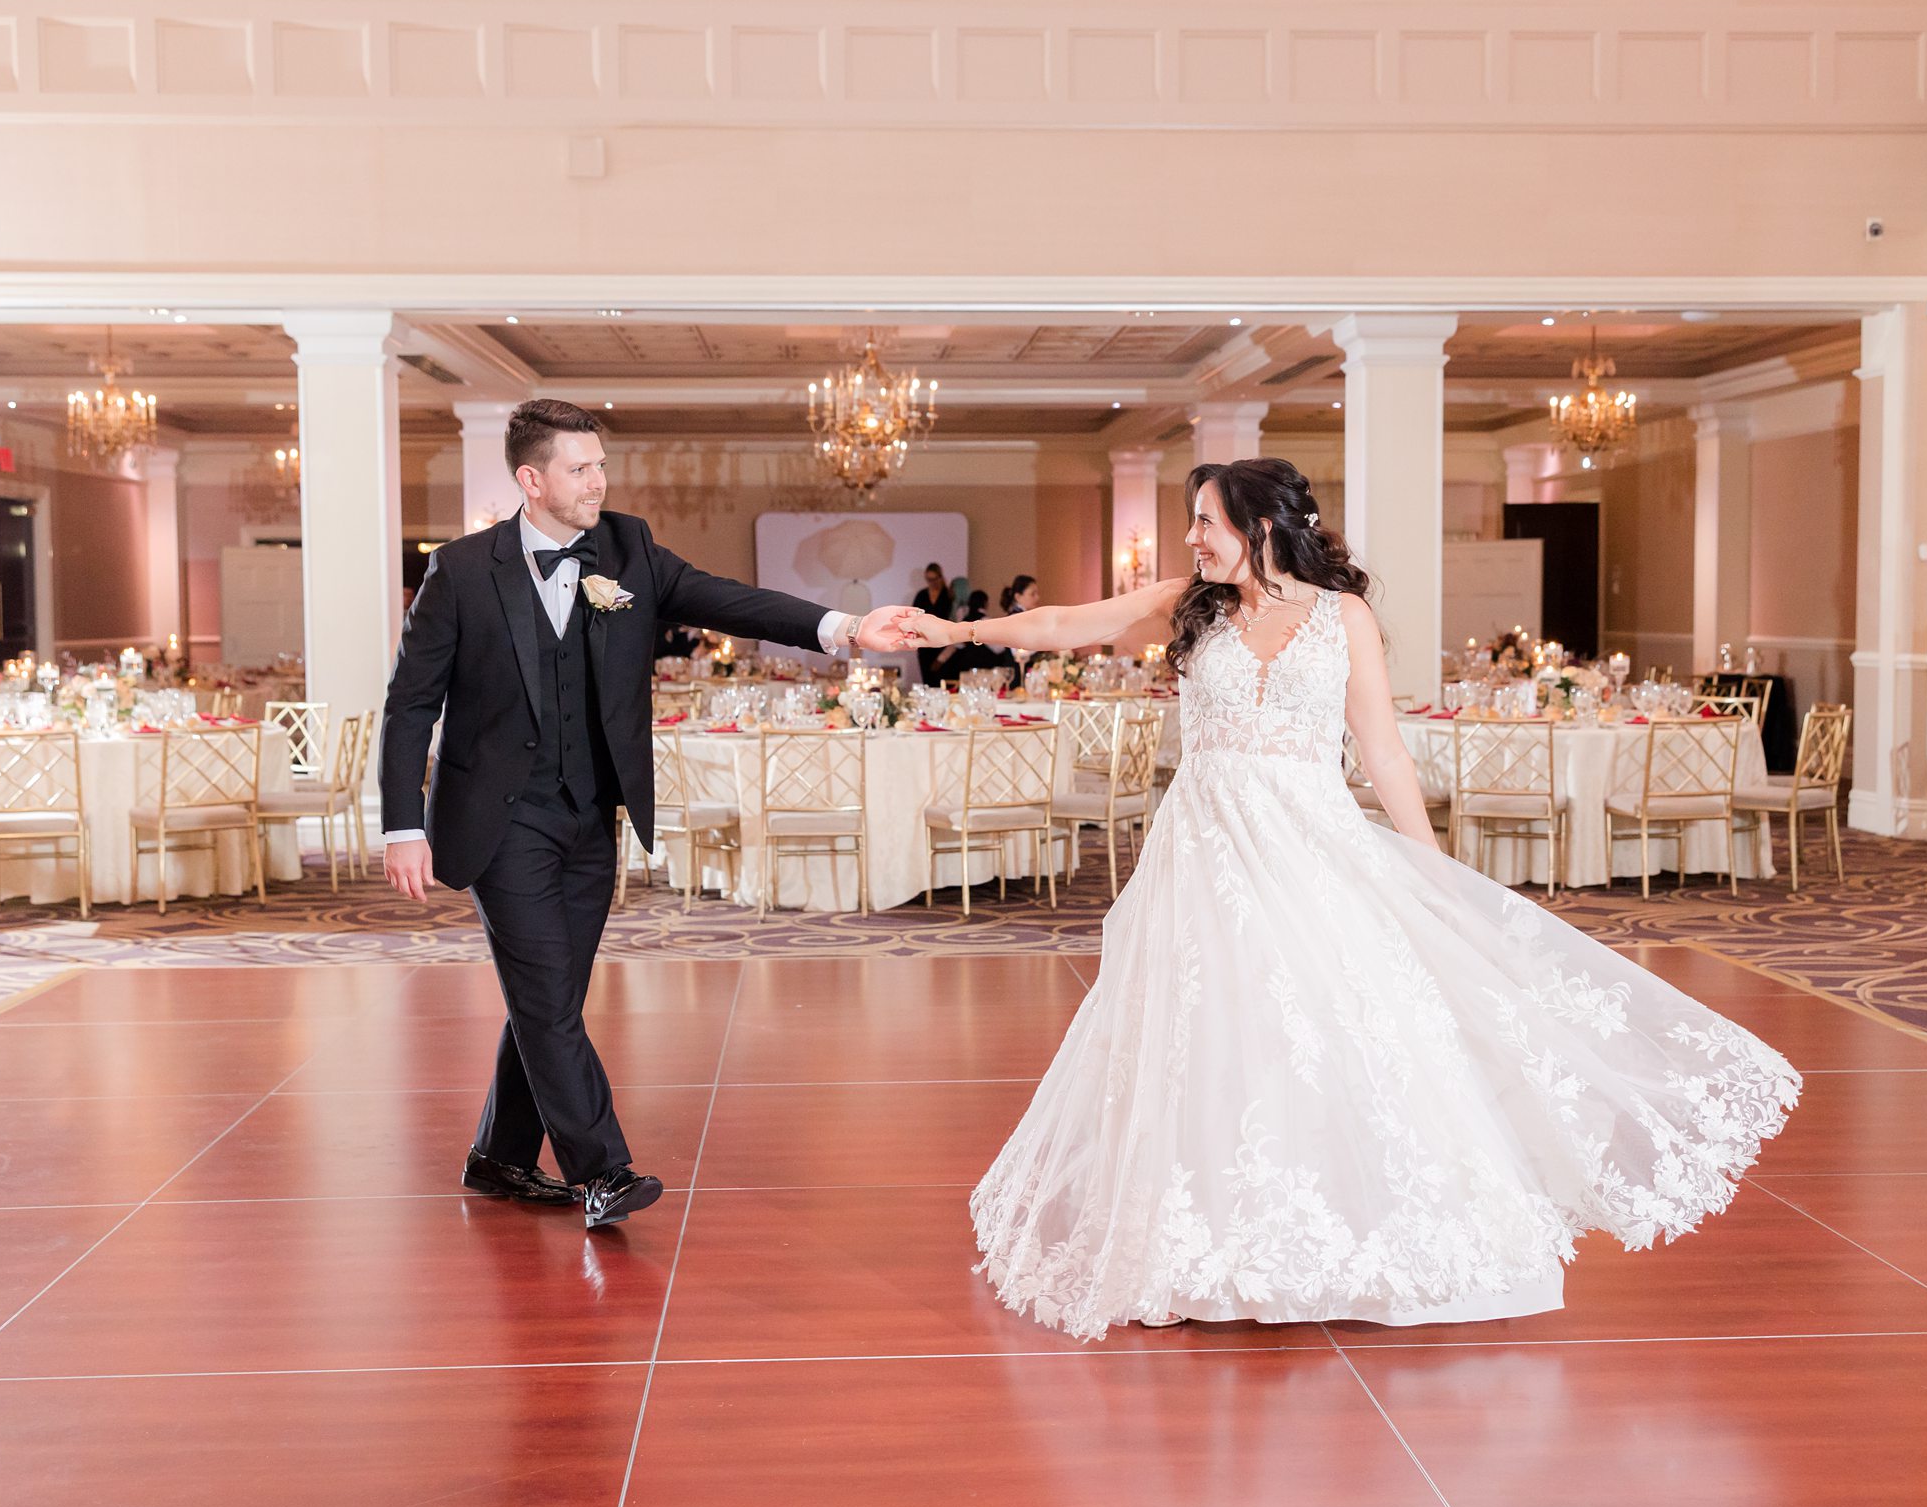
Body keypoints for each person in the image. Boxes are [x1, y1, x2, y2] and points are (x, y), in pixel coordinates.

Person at [901, 456, 1799, 1339]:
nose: (1191, 537)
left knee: (1328, 1026)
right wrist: (945, 635)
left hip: (1311, 844)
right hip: (1205, 849)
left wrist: (1432, 872)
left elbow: (1385, 753)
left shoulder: (1346, 618)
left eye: (1205, 520)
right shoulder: (1192, 603)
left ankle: (1329, 1238)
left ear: (1259, 527)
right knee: (1204, 1031)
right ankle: (1182, 1248)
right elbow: (1063, 622)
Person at [379, 399, 915, 1228]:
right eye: (581, 468)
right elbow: (408, 706)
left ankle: (501, 1157)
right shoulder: (460, 571)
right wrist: (402, 825)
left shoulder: (627, 548)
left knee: (551, 994)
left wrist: (843, 625)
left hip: (590, 818)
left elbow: (726, 599)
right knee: (549, 997)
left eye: (600, 464)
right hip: (499, 819)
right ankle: (603, 1171)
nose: (600, 480)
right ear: (532, 479)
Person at [910, 562, 956, 684]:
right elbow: (913, 616)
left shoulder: (948, 595)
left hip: (943, 642)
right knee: (927, 679)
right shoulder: (922, 595)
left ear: (940, 577)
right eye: (929, 579)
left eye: (934, 579)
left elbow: (953, 619)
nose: (932, 582)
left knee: (942, 679)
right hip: (924, 642)